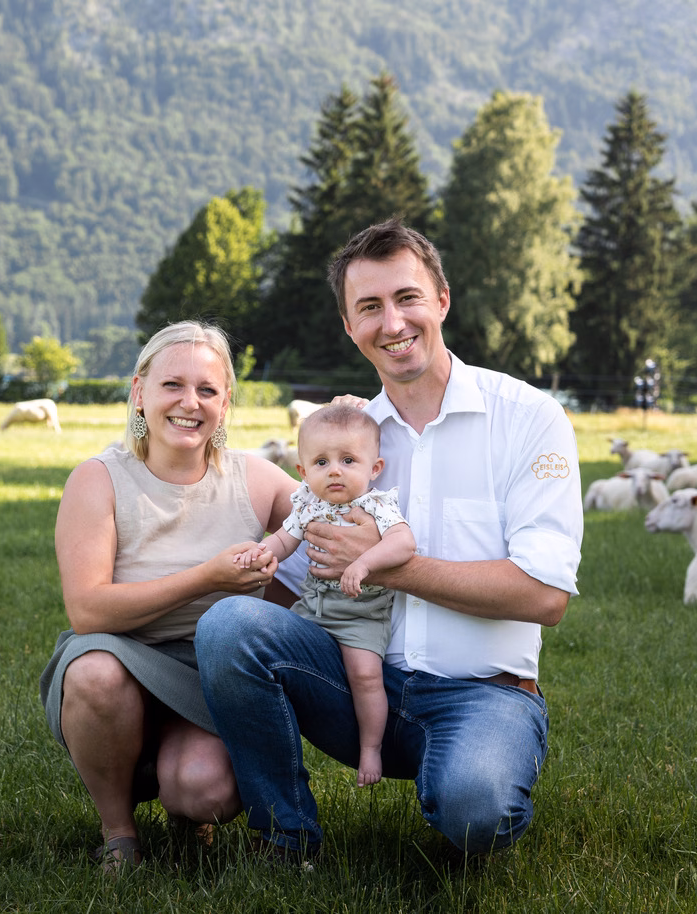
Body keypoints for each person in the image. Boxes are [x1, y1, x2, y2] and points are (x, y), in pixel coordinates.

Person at [195, 218, 583, 860]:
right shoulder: (345, 442)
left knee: (474, 809)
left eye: (407, 298)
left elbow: (546, 596)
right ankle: (286, 836)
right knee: (231, 624)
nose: (393, 322)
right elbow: (288, 584)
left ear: (442, 301)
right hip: (356, 678)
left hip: (482, 691)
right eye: (369, 307)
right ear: (350, 327)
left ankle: (460, 781)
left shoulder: (527, 418)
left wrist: (386, 568)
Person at [39, 320, 297, 871]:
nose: (190, 403)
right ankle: (119, 834)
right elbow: (87, 611)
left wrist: (350, 423)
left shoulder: (257, 479)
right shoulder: (98, 479)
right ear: (139, 392)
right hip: (119, 660)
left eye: (207, 390)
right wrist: (207, 578)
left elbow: (333, 510)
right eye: (172, 385)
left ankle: (187, 803)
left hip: (211, 674)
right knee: (95, 673)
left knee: (204, 789)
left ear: (225, 404)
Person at [232, 402, 414, 788]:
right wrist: (263, 552)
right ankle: (278, 752)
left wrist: (365, 563)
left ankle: (370, 747)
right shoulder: (307, 504)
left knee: (365, 675)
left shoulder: (376, 504)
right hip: (312, 605)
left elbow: (403, 543)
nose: (335, 470)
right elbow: (284, 539)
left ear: (374, 468)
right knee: (271, 656)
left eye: (349, 460)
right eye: (321, 462)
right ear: (302, 471)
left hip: (361, 614)